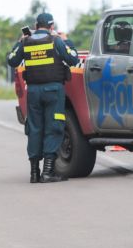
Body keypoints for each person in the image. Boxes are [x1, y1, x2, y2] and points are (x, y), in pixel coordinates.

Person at [6, 13, 79, 183]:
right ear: (51, 26)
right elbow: (73, 59)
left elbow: (11, 61)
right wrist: (66, 40)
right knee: (54, 127)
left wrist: (20, 40)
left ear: (36, 25)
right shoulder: (56, 41)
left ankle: (34, 173)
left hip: (33, 91)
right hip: (53, 91)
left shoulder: (25, 42)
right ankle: (48, 172)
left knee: (35, 129)